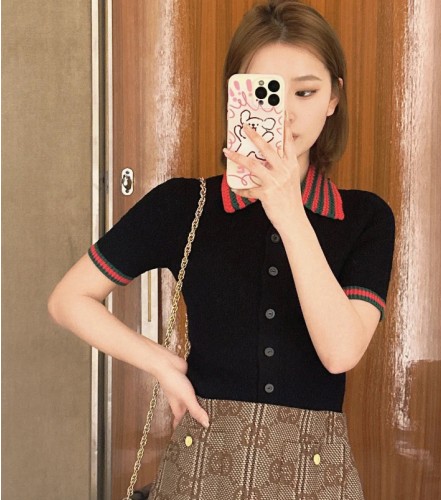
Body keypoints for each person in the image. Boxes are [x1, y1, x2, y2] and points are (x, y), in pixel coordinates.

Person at [48, 0, 395, 498]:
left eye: (306, 91)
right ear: (237, 96)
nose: (286, 112)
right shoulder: (185, 204)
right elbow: (68, 299)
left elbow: (340, 353)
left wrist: (288, 212)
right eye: (267, 92)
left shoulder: (364, 217)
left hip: (317, 472)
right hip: (203, 465)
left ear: (333, 98)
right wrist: (160, 362)